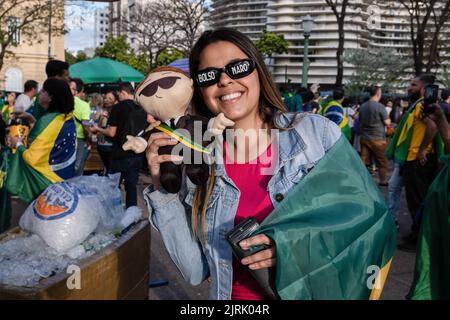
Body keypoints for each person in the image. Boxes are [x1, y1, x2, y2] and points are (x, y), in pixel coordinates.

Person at [143, 28, 396, 300]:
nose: (226, 80)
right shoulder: (197, 158)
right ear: (201, 91)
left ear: (258, 71)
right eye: (209, 75)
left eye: (238, 67)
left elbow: (373, 221)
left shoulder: (315, 135)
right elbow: (195, 272)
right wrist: (161, 187)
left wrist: (294, 248)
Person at [387, 74, 441, 252]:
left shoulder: (420, 106)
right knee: (417, 201)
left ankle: (418, 239)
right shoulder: (418, 106)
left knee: (417, 202)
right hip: (415, 160)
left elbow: (432, 127)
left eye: (413, 85)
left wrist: (420, 150)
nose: (409, 87)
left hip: (417, 161)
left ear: (423, 88)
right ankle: (417, 235)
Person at [5, 78, 76, 203]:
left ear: (51, 97)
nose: (39, 93)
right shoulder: (66, 116)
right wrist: (32, 119)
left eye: (43, 91)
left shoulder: (48, 121)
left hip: (47, 184)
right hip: (63, 181)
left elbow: (33, 158)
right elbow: (50, 139)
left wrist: (18, 144)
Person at [90, 83, 146, 208]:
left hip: (119, 153)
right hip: (137, 153)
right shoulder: (142, 107)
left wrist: (98, 129)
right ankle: (132, 216)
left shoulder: (118, 107)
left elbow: (111, 132)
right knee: (131, 187)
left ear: (123, 93)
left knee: (112, 186)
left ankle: (113, 213)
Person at [358, 86, 391, 186]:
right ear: (378, 94)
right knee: (382, 162)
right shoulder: (379, 106)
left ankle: (362, 181)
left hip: (364, 137)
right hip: (378, 138)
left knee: (364, 161)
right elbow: (387, 122)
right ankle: (383, 181)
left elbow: (359, 119)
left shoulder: (363, 106)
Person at [70, 77, 91, 176]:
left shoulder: (64, 101)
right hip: (79, 139)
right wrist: (88, 138)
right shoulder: (84, 105)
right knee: (77, 165)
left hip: (66, 136)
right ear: (81, 91)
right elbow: (85, 125)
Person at [95, 91, 117, 174]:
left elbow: (112, 133)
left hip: (110, 147)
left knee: (111, 170)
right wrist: (99, 118)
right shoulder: (101, 111)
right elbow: (94, 127)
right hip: (101, 145)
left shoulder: (116, 112)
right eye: (105, 98)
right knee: (106, 168)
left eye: (110, 98)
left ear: (115, 100)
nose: (106, 100)